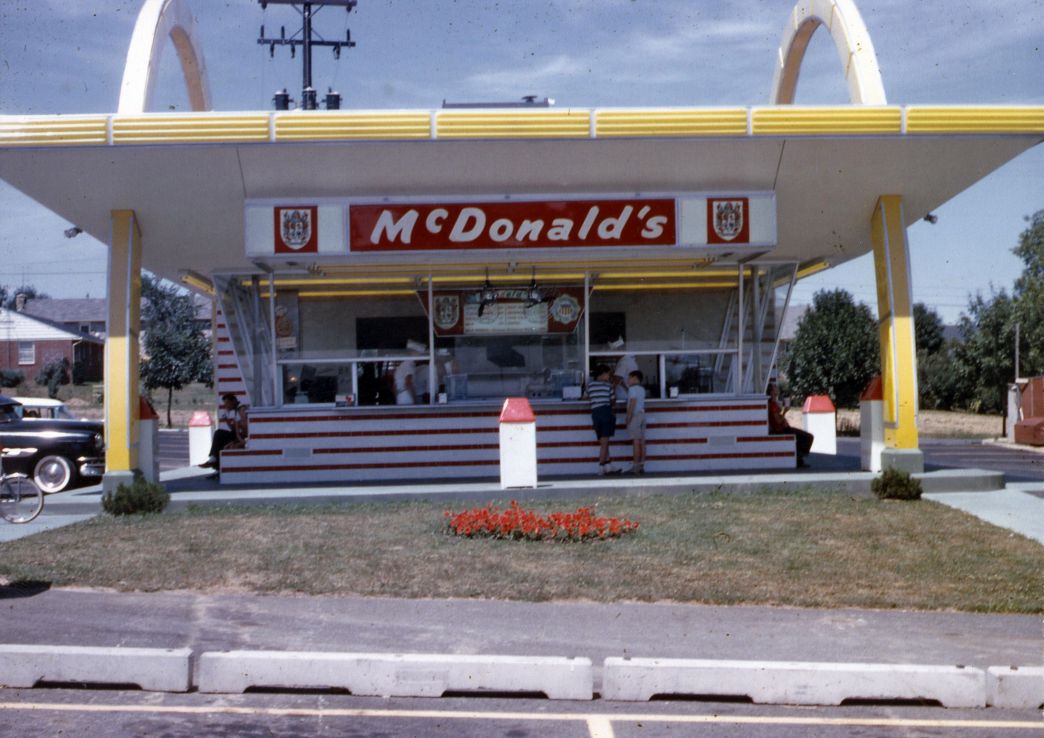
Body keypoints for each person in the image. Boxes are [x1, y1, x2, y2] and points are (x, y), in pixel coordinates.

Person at [199, 393, 248, 474]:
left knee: (219, 435)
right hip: (237, 435)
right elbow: (234, 429)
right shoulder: (235, 411)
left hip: (242, 436)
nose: (226, 406)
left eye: (228, 404)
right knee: (219, 437)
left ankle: (214, 462)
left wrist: (240, 441)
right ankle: (216, 464)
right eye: (225, 404)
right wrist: (227, 421)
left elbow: (245, 428)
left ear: (234, 401)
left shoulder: (241, 410)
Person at [767, 382, 813, 467]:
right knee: (808, 437)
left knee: (804, 437)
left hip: (784, 428)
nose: (777, 389)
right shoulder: (772, 406)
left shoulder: (773, 404)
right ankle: (798, 458)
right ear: (772, 392)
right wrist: (785, 411)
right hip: (781, 430)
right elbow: (778, 421)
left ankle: (798, 457)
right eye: (775, 387)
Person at [586, 364, 621, 475]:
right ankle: (601, 466)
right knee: (605, 441)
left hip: (595, 414)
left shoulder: (590, 385)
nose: (609, 376)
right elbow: (613, 401)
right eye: (608, 374)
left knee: (603, 441)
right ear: (603, 374)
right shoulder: (608, 386)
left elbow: (585, 397)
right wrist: (614, 387)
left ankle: (608, 465)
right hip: (606, 412)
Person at [624, 370, 646, 474]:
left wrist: (628, 417)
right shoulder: (642, 389)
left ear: (635, 378)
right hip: (642, 415)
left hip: (635, 416)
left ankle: (635, 466)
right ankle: (642, 465)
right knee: (642, 441)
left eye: (629, 378)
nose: (628, 380)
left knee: (635, 442)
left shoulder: (632, 389)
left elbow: (632, 403)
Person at [394, 339, 427, 405]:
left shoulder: (403, 364)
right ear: (413, 352)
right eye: (419, 354)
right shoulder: (409, 364)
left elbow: (394, 386)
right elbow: (408, 383)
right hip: (406, 397)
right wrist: (415, 399)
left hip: (401, 396)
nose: (420, 357)